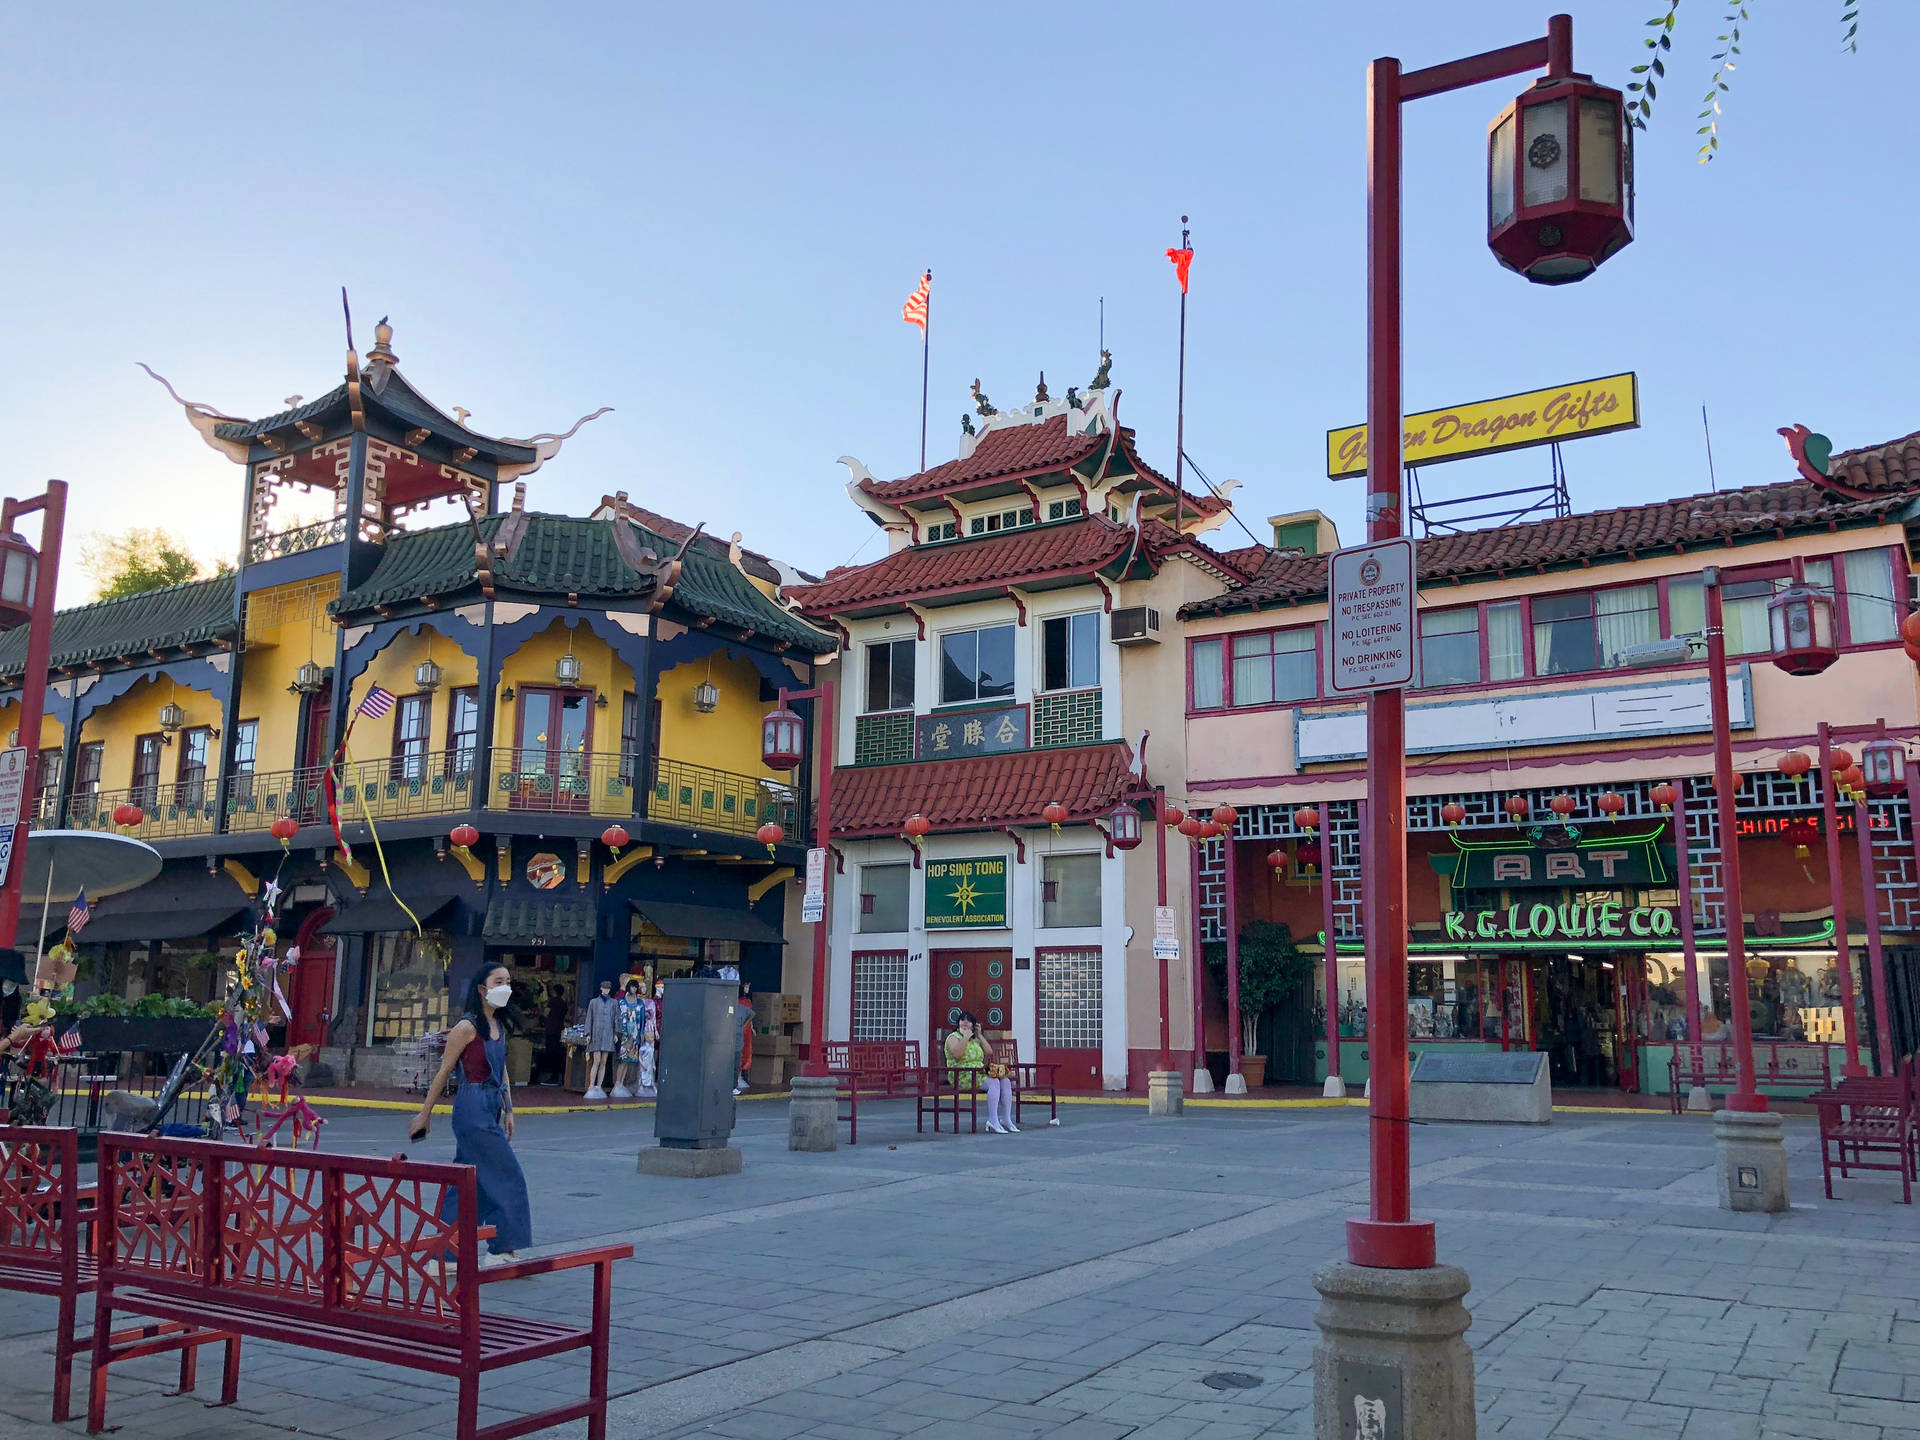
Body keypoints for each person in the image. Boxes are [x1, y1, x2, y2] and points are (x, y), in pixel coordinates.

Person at [411, 966, 532, 1266]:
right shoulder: (466, 1027)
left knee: (468, 1181)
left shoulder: (498, 1026)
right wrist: (424, 1114)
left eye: (507, 981)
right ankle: (501, 1247)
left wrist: (510, 1109)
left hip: (492, 1105)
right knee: (507, 1174)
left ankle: (447, 1254)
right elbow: (443, 1072)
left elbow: (501, 1069)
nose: (505, 987)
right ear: (482, 988)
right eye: (498, 981)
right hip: (472, 1105)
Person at [944, 1011, 1017, 1134]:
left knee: (1005, 1081)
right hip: (961, 1074)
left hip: (978, 1073)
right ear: (958, 1023)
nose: (965, 1023)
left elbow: (989, 1052)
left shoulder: (975, 1040)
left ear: (973, 1025)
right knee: (993, 1082)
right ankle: (993, 1120)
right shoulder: (953, 1037)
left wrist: (979, 1035)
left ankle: (1006, 1119)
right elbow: (957, 1054)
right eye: (962, 1020)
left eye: (969, 1021)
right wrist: (965, 1037)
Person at [583, 977, 619, 1101]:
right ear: (601, 988)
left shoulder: (614, 1003)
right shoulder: (593, 1002)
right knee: (596, 1060)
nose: (606, 990)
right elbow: (589, 1018)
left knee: (604, 1062)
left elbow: (616, 1019)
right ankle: (591, 1085)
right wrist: (588, 1033)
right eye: (604, 988)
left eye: (608, 988)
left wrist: (616, 1033)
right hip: (596, 1034)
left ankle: (599, 1086)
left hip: (608, 1034)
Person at [613, 978, 647, 1098]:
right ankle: (618, 1083)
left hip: (635, 1034)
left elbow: (643, 1019)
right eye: (632, 986)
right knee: (622, 1060)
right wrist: (616, 1033)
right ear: (628, 987)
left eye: (635, 987)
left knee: (629, 1061)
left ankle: (623, 1083)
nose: (634, 989)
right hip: (624, 1034)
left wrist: (642, 1032)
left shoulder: (640, 1003)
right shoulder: (621, 1002)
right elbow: (617, 1018)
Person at [734, 982, 754, 1096]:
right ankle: (737, 1077)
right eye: (745, 987)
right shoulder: (739, 1002)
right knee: (740, 1052)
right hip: (741, 1029)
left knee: (745, 1051)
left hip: (745, 1029)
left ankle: (740, 1075)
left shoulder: (747, 1002)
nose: (747, 989)